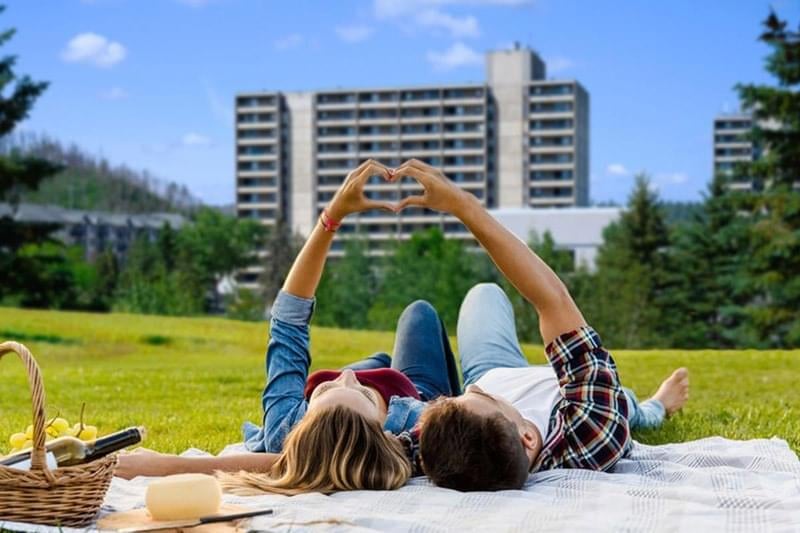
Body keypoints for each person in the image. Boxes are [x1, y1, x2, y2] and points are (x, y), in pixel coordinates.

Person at [116, 160, 459, 494]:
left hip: (337, 416)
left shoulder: (284, 428)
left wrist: (332, 217)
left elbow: (288, 320)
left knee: (370, 365)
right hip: (414, 389)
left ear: (303, 422)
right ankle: (373, 378)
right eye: (365, 394)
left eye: (319, 393)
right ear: (386, 435)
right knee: (419, 313)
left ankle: (363, 378)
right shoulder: (418, 426)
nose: (346, 375)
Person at [387, 159, 690, 491]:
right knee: (629, 405)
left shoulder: (439, 450)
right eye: (479, 398)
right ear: (528, 438)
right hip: (572, 392)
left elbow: (351, 451)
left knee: (483, 293)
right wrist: (465, 207)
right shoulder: (591, 432)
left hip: (494, 369)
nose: (467, 389)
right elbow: (552, 298)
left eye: (457, 398)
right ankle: (659, 402)